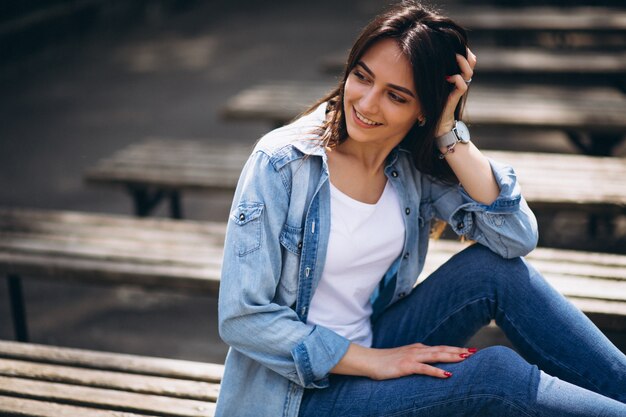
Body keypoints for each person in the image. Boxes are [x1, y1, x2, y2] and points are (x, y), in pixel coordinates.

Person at [216, 1, 626, 415]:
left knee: (494, 273)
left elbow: (515, 237)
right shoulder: (282, 163)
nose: (367, 103)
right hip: (296, 395)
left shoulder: (410, 163)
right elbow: (242, 317)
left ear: (422, 112)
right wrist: (374, 362)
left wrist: (448, 132)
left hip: (377, 341)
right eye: (362, 76)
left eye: (396, 96)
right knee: (495, 376)